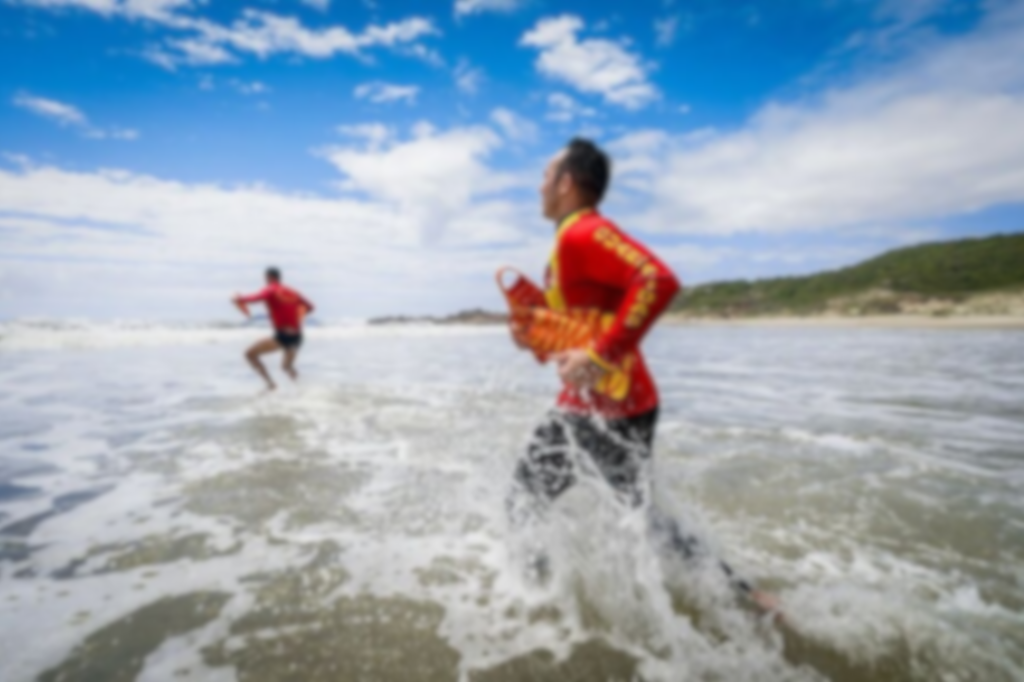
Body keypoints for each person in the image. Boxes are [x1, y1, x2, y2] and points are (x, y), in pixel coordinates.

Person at [504, 138, 779, 615]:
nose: (539, 185)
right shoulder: (566, 246)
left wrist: (601, 355)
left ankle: (533, 601)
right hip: (604, 402)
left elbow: (658, 279)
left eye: (546, 177)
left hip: (609, 404)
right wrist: (535, 333)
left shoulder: (582, 233)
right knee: (637, 517)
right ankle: (750, 598)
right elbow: (582, 328)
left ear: (566, 184)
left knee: (525, 498)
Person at [233, 267, 314, 391]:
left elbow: (256, 298)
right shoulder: (293, 292)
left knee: (249, 354)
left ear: (268, 277)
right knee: (286, 367)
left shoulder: (271, 289)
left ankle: (270, 384)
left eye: (265, 278)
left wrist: (239, 299)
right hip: (297, 336)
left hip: (282, 336)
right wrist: (294, 315)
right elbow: (310, 307)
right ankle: (305, 391)